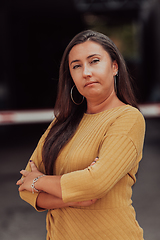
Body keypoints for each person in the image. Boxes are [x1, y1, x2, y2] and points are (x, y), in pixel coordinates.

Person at [16, 30, 145, 240]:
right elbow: (24, 187)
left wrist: (39, 180)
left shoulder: (128, 118)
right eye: (76, 66)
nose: (86, 72)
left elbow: (95, 184)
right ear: (71, 76)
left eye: (94, 61)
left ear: (114, 67)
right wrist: (74, 197)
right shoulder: (61, 123)